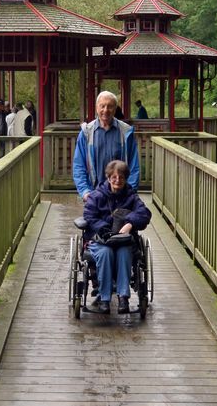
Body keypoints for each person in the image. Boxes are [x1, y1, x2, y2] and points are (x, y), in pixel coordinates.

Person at [83, 160, 152, 314]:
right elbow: (89, 216)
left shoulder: (131, 196)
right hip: (101, 239)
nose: (117, 180)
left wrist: (129, 224)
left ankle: (123, 297)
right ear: (108, 178)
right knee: (105, 253)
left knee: (124, 253)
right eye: (114, 177)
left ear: (126, 178)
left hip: (123, 241)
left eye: (121, 177)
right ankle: (104, 299)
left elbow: (144, 214)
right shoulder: (97, 196)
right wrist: (104, 228)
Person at [73, 91, 140, 202]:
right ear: (96, 107)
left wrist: (130, 191)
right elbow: (79, 165)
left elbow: (133, 166)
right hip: (94, 194)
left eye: (110, 106)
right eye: (102, 106)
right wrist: (85, 192)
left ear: (115, 109)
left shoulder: (126, 132)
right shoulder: (86, 133)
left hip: (120, 195)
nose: (105, 110)